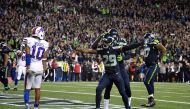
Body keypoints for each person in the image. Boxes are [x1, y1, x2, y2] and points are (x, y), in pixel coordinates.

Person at [77, 33, 144, 109]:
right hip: (107, 75)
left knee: (122, 92)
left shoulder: (115, 48)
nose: (104, 43)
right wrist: (98, 38)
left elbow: (128, 47)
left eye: (106, 42)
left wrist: (139, 44)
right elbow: (91, 49)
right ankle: (98, 107)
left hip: (116, 75)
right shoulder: (101, 49)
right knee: (98, 89)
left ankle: (127, 107)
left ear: (110, 42)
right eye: (104, 41)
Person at [92, 29, 132, 109]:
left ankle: (128, 104)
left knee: (127, 86)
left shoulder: (121, 42)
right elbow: (94, 48)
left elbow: (128, 55)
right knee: (108, 89)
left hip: (120, 67)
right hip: (110, 69)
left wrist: (123, 58)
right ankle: (106, 107)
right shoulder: (106, 44)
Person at [23, 26, 49, 109]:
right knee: (38, 88)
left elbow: (27, 55)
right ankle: (36, 107)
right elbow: (44, 59)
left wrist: (28, 66)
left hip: (32, 67)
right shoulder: (45, 43)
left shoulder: (29, 40)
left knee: (27, 88)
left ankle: (27, 106)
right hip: (40, 68)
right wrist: (44, 69)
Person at [141, 33, 166, 107]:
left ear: (149, 38)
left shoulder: (153, 42)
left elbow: (163, 49)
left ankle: (151, 100)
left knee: (146, 81)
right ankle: (151, 100)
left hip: (153, 65)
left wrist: (159, 59)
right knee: (150, 83)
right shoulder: (147, 45)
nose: (145, 40)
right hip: (148, 66)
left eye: (146, 38)